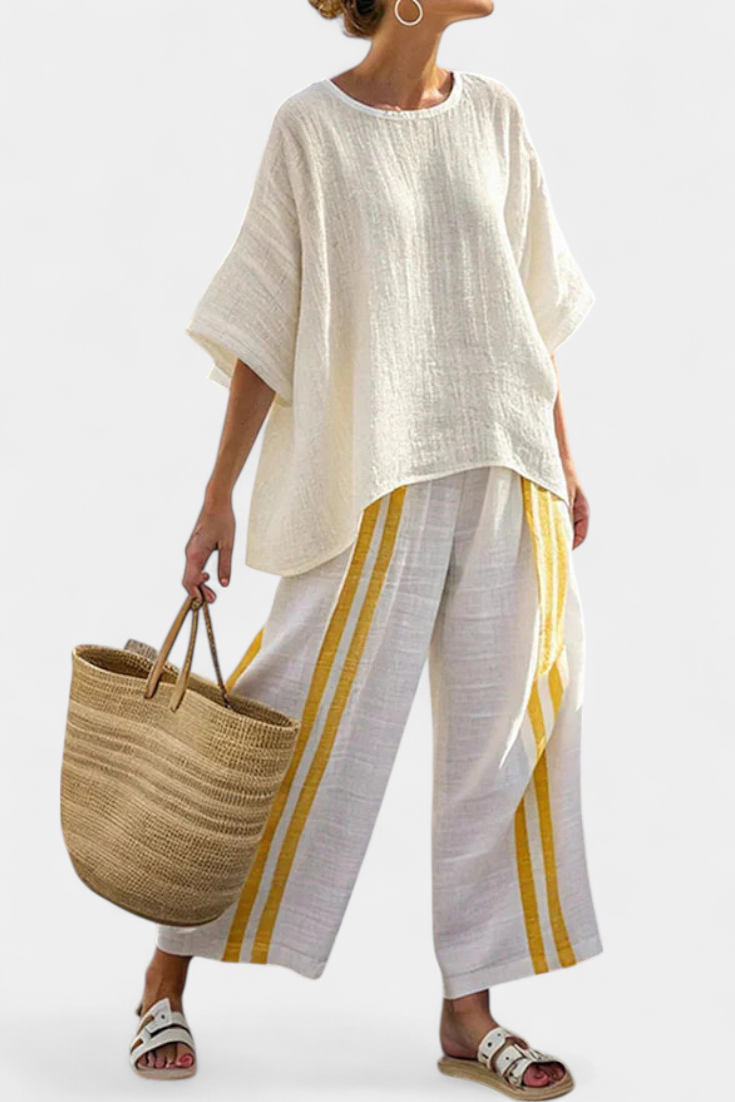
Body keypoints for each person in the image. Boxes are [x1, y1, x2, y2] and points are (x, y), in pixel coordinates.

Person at [129, 0, 603, 1093]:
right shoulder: (313, 129)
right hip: (378, 472)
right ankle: (163, 975)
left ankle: (470, 1014)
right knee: (282, 723)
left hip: (509, 461)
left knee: (500, 747)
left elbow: (532, 308)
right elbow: (266, 320)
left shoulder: (496, 115)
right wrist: (217, 494)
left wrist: (565, 459)